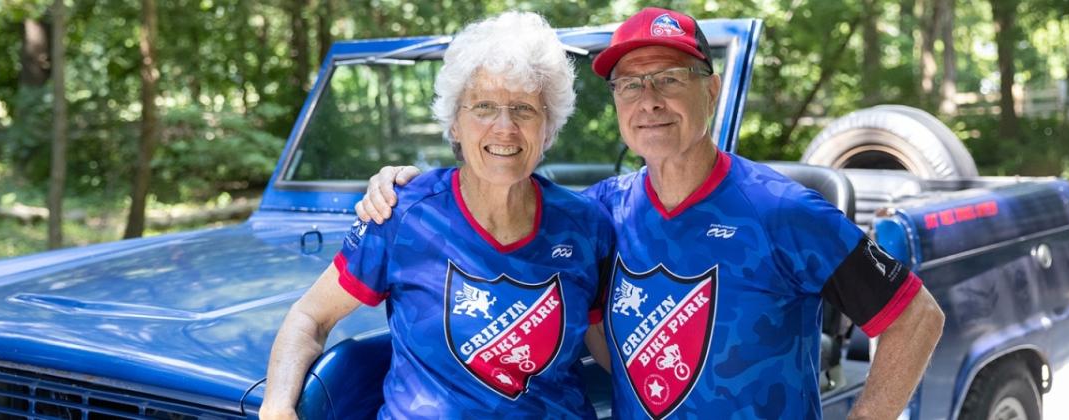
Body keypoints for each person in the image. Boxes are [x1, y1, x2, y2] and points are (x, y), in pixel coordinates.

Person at [355, 7, 945, 420]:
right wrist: (400, 184)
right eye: (630, 85)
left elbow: (915, 317)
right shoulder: (601, 214)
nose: (650, 101)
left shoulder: (782, 209)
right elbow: (501, 210)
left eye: (669, 79)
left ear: (710, 92)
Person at [259, 12, 614, 419]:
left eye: (523, 109)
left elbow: (610, 345)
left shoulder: (586, 226)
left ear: (548, 126)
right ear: (455, 124)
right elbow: (310, 317)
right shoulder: (402, 213)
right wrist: (277, 405)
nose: (505, 127)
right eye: (483, 106)